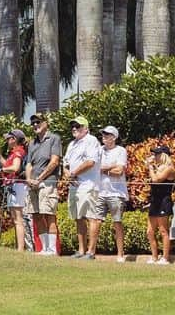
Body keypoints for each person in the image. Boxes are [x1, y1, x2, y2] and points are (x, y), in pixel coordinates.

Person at [24, 112, 62, 255]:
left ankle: (52, 249)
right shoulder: (32, 143)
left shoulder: (54, 139)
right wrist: (28, 179)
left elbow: (54, 162)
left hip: (47, 183)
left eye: (38, 122)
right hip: (32, 184)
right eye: (33, 123)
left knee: (48, 214)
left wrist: (39, 179)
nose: (35, 125)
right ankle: (44, 248)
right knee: (37, 215)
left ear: (46, 123)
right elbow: (28, 164)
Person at [64, 115, 101, 259]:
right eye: (73, 126)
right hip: (74, 186)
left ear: (86, 129)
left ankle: (91, 252)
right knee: (78, 217)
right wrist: (67, 173)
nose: (74, 129)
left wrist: (73, 173)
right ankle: (81, 251)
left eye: (78, 126)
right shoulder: (72, 144)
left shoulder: (91, 140)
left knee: (91, 217)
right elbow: (65, 163)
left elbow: (90, 162)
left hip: (88, 185)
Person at [89, 125, 128, 262]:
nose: (104, 136)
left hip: (116, 193)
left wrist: (103, 169)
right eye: (103, 134)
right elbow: (93, 167)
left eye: (107, 134)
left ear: (114, 137)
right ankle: (90, 252)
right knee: (95, 220)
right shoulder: (99, 150)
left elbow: (119, 172)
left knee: (117, 222)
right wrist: (111, 166)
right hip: (100, 192)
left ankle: (120, 255)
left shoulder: (121, 151)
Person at [146, 144, 175, 265]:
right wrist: (151, 167)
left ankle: (165, 258)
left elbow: (156, 180)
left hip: (164, 201)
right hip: (155, 201)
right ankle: (154, 257)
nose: (154, 156)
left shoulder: (169, 168)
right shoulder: (157, 167)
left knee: (163, 230)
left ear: (164, 155)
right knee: (150, 231)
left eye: (157, 154)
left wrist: (150, 167)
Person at [0, 129, 28, 252]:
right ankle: (19, 247)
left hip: (17, 186)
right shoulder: (14, 152)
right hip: (13, 186)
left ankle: (20, 248)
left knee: (18, 219)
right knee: (15, 218)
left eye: (8, 138)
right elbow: (6, 165)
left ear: (14, 139)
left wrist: (3, 171)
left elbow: (15, 168)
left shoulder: (18, 152)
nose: (7, 141)